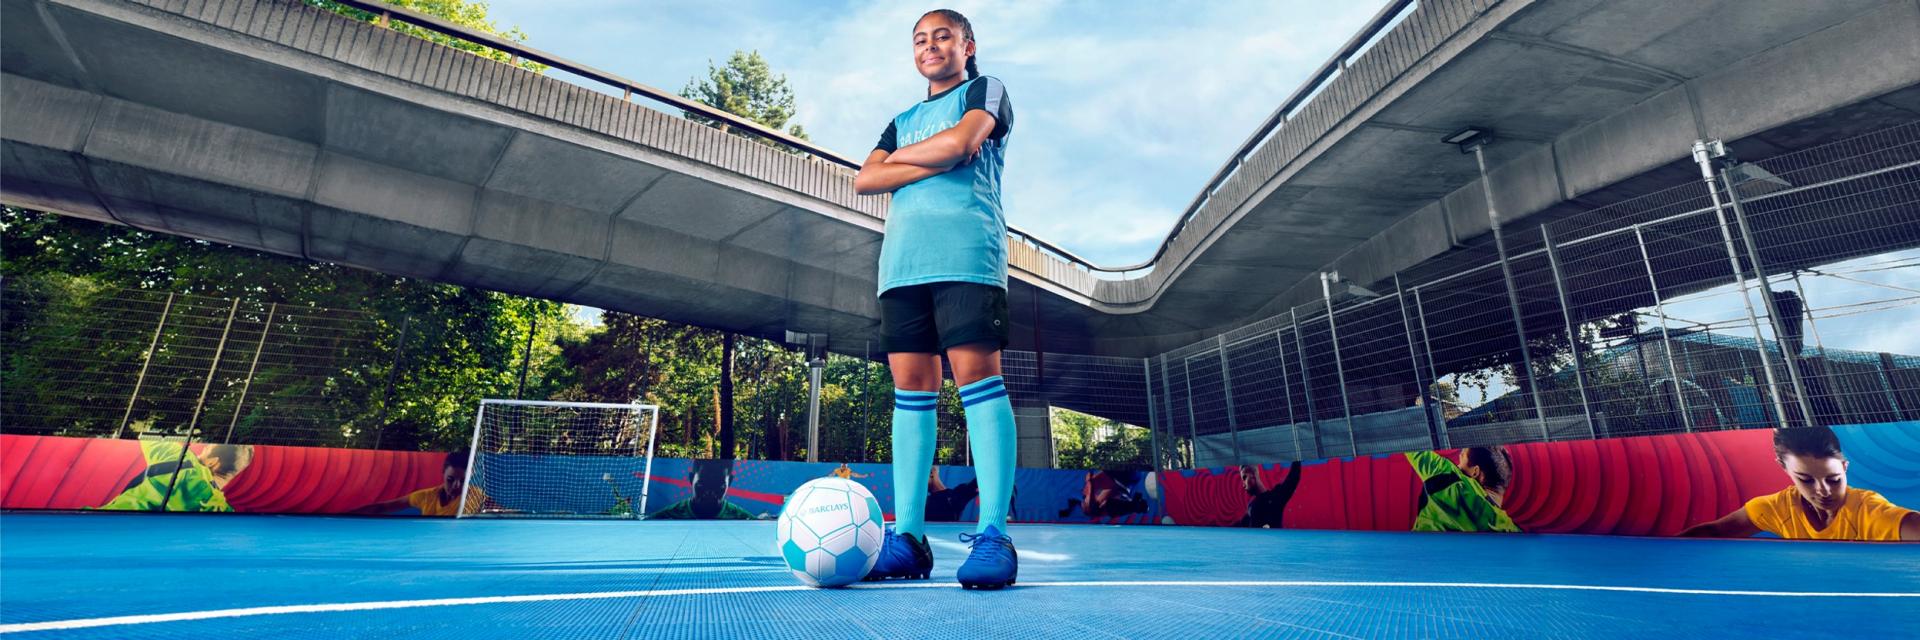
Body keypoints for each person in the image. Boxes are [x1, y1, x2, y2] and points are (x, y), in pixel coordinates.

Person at [851, 8, 1018, 590]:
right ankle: (912, 540)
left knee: (979, 385)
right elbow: (864, 179)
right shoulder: (900, 119)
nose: (930, 46)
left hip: (967, 256)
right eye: (920, 39)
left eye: (942, 36)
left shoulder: (984, 89)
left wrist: (908, 162)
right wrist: (937, 153)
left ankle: (995, 534)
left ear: (967, 45)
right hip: (901, 268)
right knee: (911, 396)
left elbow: (965, 140)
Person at [1681, 426, 1918, 540]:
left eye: (1834, 479)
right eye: (1806, 480)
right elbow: (1716, 530)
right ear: (1784, 468)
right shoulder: (1777, 508)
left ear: (1844, 467)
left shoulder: (1870, 511)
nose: (1823, 491)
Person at [95, 442, 252, 512]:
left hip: (112, 523)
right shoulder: (223, 510)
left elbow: (151, 438)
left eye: (207, 448)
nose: (202, 448)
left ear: (212, 462)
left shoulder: (182, 459)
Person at [1405, 447, 1520, 533]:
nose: (1457, 465)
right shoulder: (1511, 531)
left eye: (1462, 459)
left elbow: (1409, 441)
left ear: (1475, 472)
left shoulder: (1451, 480)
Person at [355, 451, 490, 516]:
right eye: (450, 480)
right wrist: (345, 516)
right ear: (443, 473)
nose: (456, 486)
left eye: (462, 481)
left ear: (470, 476)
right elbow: (383, 507)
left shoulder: (477, 496)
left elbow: (499, 513)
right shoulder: (427, 496)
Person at [647, 459, 755, 520]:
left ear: (730, 482)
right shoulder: (665, 516)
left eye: (718, 486)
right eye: (702, 485)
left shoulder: (744, 519)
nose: (709, 493)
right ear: (691, 479)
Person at [1237, 461, 1303, 529]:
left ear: (1253, 475)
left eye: (1244, 477)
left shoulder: (1275, 497)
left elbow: (1293, 478)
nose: (1243, 485)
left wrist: (1297, 459)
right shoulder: (1251, 505)